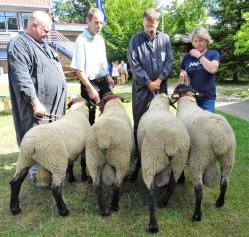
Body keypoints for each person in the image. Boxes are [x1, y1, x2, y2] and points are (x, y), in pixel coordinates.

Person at [7, 11, 67, 186]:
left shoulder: (42, 44)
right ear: (33, 26)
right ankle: (39, 176)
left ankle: (50, 170)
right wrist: (34, 102)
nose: (49, 34)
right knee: (36, 141)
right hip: (37, 109)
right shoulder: (19, 43)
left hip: (52, 109)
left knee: (49, 141)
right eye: (46, 30)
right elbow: (21, 77)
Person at [127, 8, 173, 181]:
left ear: (157, 23)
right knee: (139, 124)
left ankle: (161, 157)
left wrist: (159, 81)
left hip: (160, 90)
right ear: (143, 23)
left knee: (161, 122)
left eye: (152, 26)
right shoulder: (135, 40)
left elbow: (169, 61)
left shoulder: (165, 39)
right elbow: (134, 64)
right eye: (147, 26)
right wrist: (148, 83)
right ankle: (140, 159)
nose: (150, 30)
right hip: (141, 91)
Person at [71, 8, 114, 125]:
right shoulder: (81, 41)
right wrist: (90, 89)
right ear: (87, 21)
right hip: (88, 84)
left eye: (101, 22)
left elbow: (103, 63)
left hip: (103, 82)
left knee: (110, 111)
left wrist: (108, 76)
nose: (99, 25)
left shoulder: (100, 40)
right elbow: (79, 70)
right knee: (89, 119)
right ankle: (89, 142)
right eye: (96, 22)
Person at [179, 26, 220, 112]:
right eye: (195, 41)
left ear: (206, 40)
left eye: (200, 40)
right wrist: (183, 77)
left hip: (207, 99)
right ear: (192, 42)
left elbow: (212, 69)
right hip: (190, 98)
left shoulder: (213, 54)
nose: (198, 43)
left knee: (207, 124)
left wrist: (199, 56)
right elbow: (183, 80)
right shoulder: (187, 57)